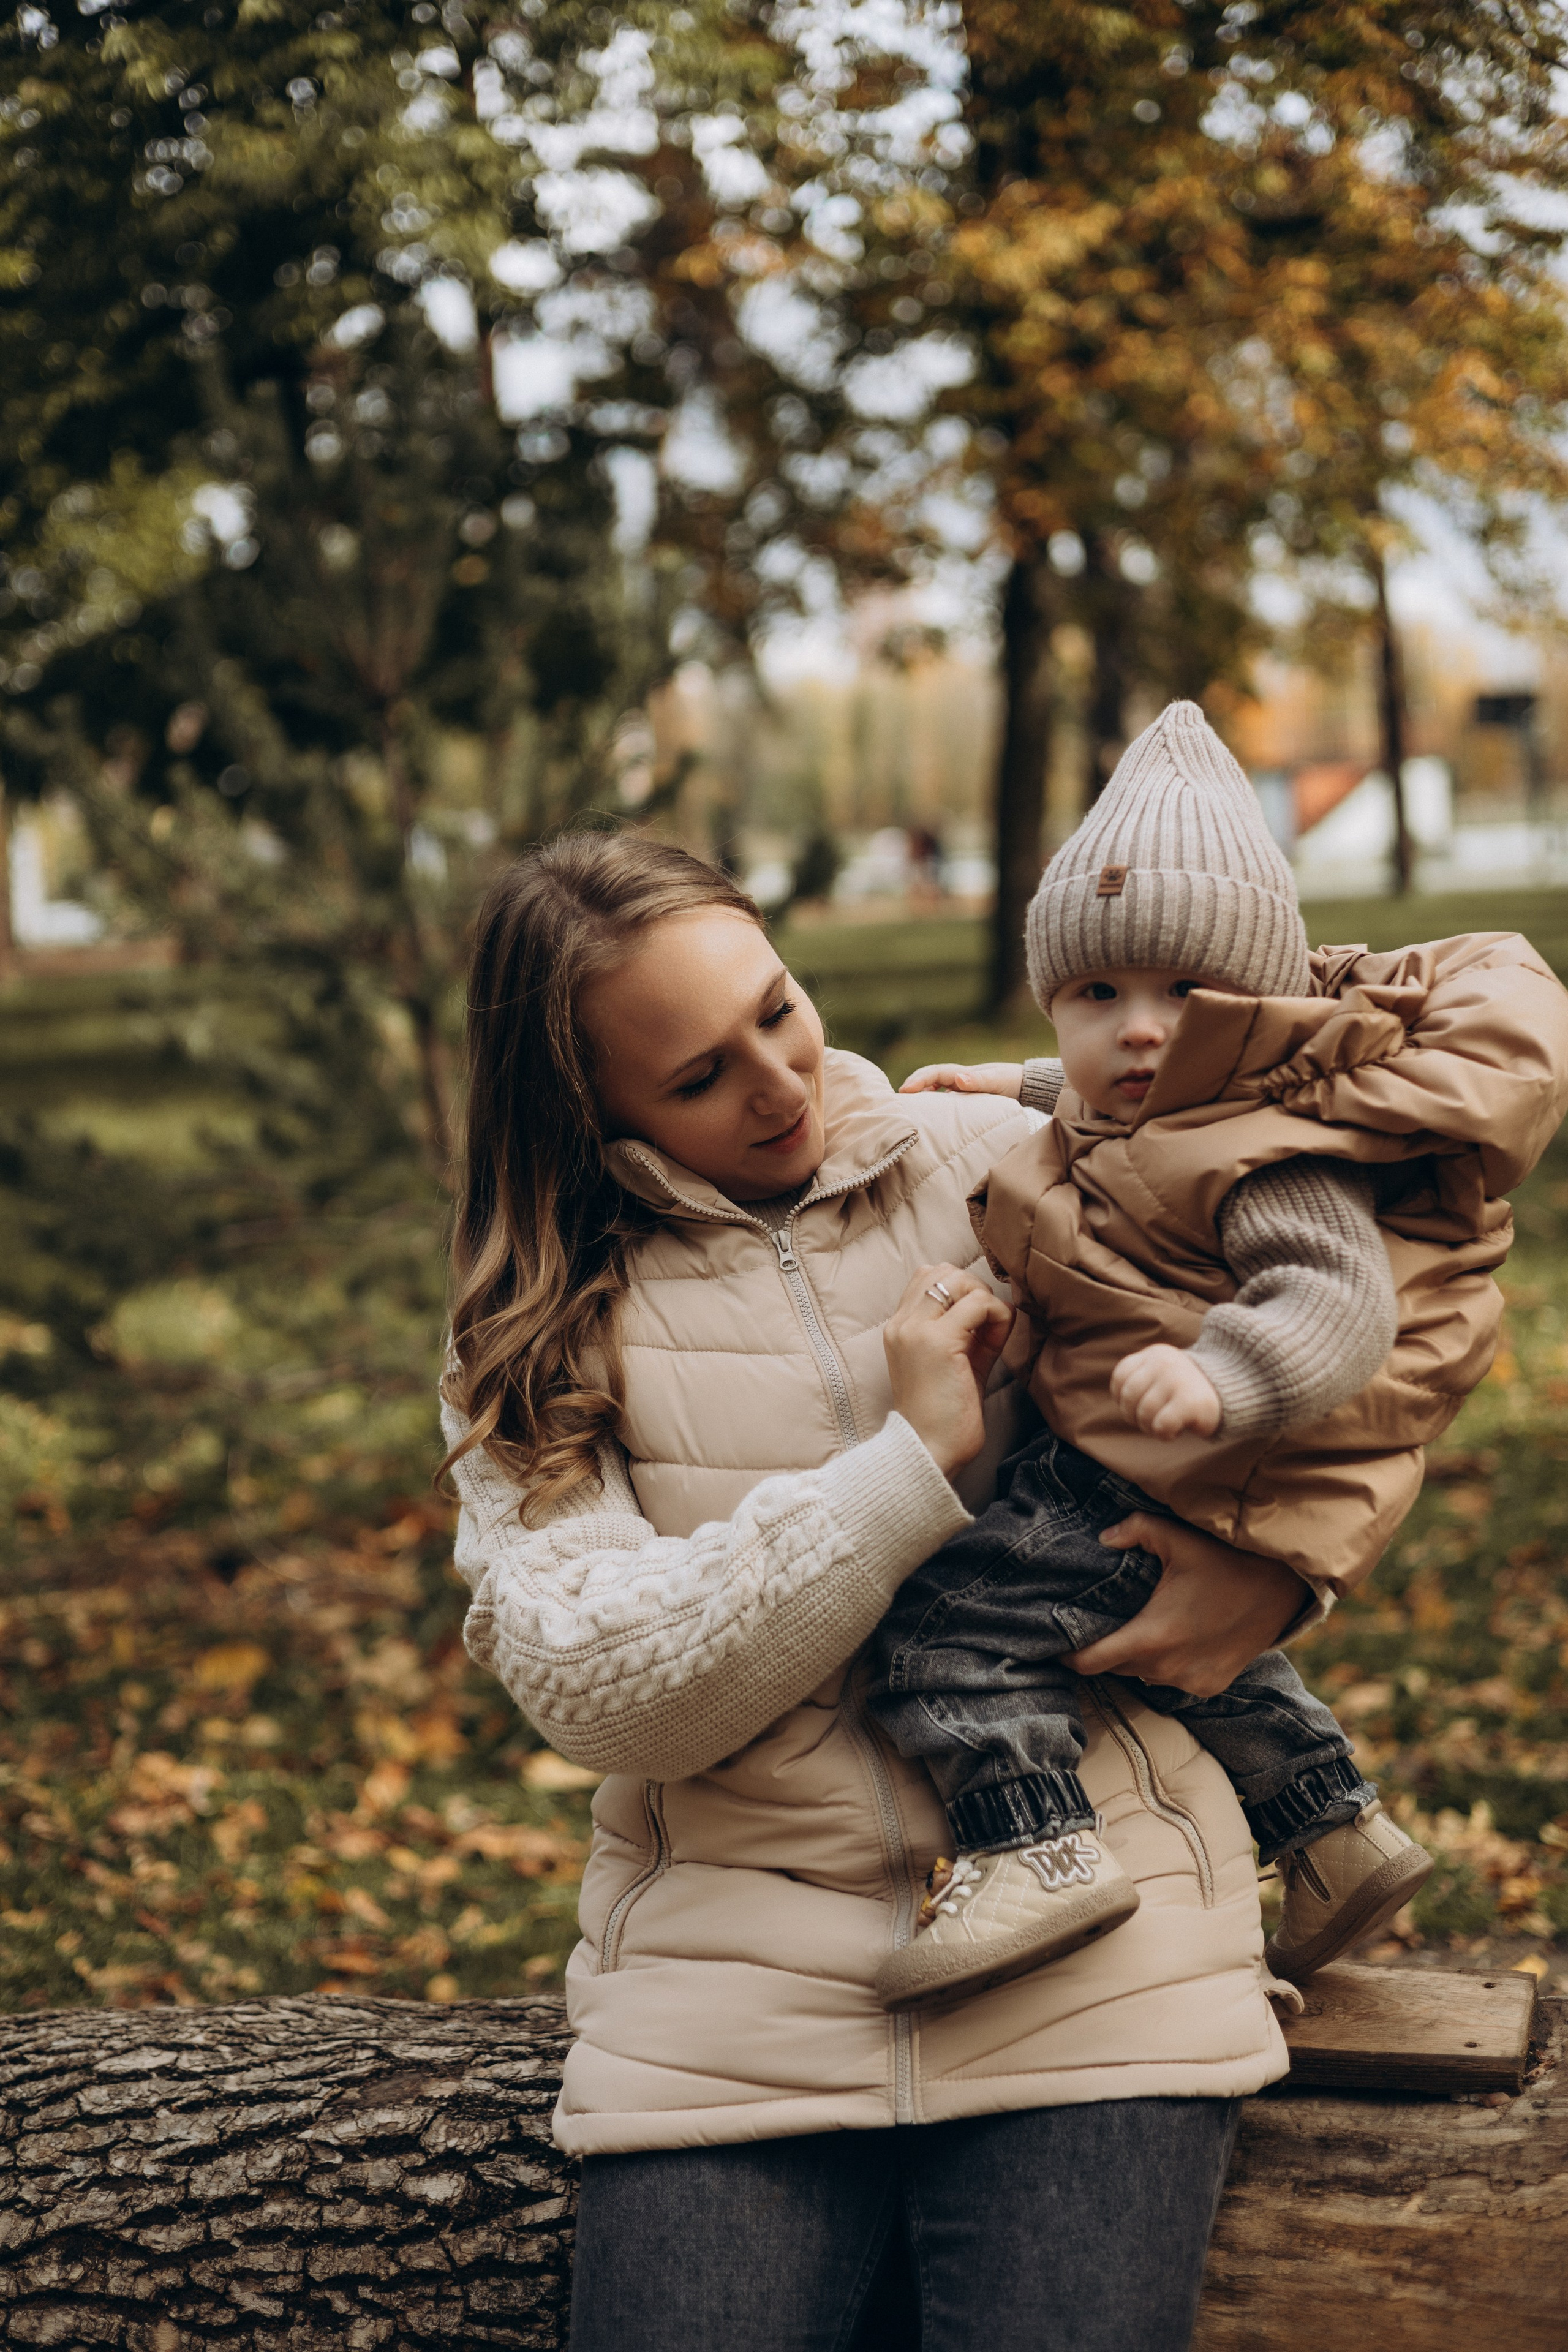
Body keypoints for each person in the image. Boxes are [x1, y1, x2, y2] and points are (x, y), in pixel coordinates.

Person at [439, 830, 1311, 2352]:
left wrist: (1279, 1574)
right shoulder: (531, 1336)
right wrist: (908, 1466)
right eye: (698, 1077)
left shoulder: (990, 1163)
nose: (776, 1083)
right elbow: (608, 1691)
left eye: (777, 1008)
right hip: (724, 2007)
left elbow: (1345, 1296)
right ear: (585, 1109)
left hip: (1105, 1965)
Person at [880, 700, 1568, 2013]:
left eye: (1184, 996)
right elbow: (1101, 1100)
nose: (1137, 1030)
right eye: (1096, 994)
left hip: (1152, 1463)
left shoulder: (1274, 1160)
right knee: (1164, 1646)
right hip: (1156, 1473)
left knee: (944, 1630)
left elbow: (1335, 1300)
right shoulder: (1171, 1092)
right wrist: (1003, 1082)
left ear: (1254, 1006)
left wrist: (1222, 1374)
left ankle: (1033, 1847)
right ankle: (1330, 1831)